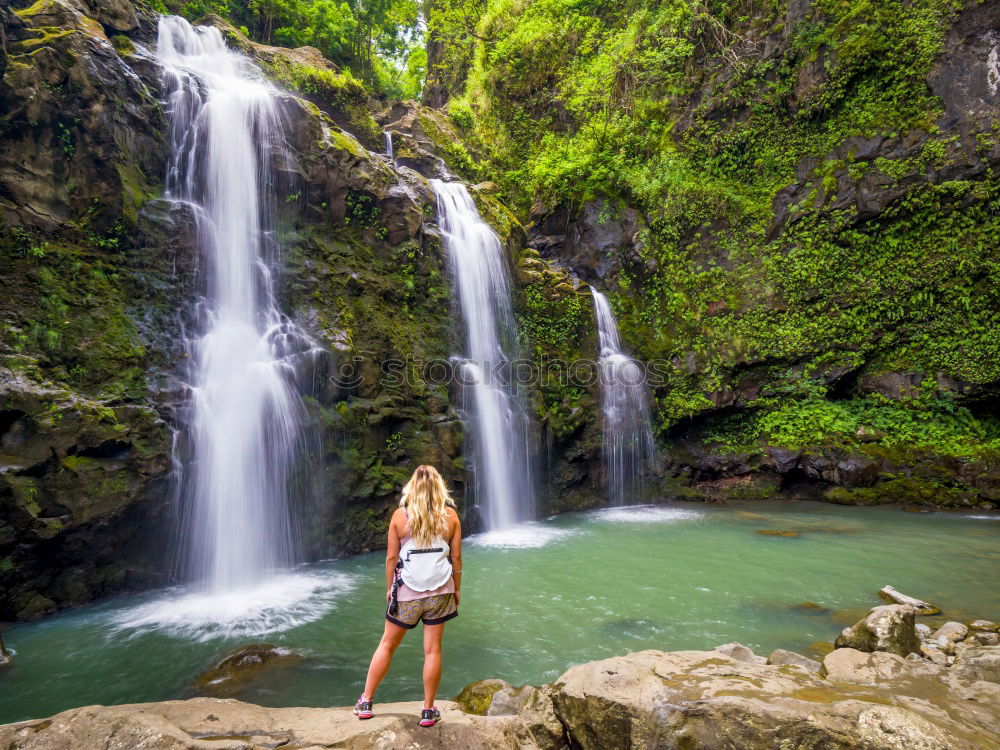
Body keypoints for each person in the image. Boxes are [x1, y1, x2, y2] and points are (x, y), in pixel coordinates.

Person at [355, 465, 462, 727]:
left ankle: (366, 702)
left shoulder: (400, 517)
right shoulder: (450, 517)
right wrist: (457, 588)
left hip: (407, 593)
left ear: (412, 487)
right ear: (439, 487)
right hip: (441, 591)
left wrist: (389, 588)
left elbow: (391, 557)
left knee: (387, 645)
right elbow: (456, 558)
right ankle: (427, 710)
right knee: (433, 650)